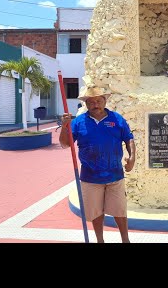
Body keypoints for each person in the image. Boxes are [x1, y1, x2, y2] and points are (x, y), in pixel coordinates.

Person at [59, 86, 136, 243]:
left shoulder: (117, 119)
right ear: (86, 104)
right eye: (91, 102)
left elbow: (128, 138)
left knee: (120, 210)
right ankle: (100, 240)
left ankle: (125, 240)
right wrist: (65, 127)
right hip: (90, 177)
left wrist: (132, 157)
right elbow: (66, 144)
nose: (95, 104)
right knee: (95, 212)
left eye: (99, 101)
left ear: (105, 101)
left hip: (115, 175)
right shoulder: (79, 122)